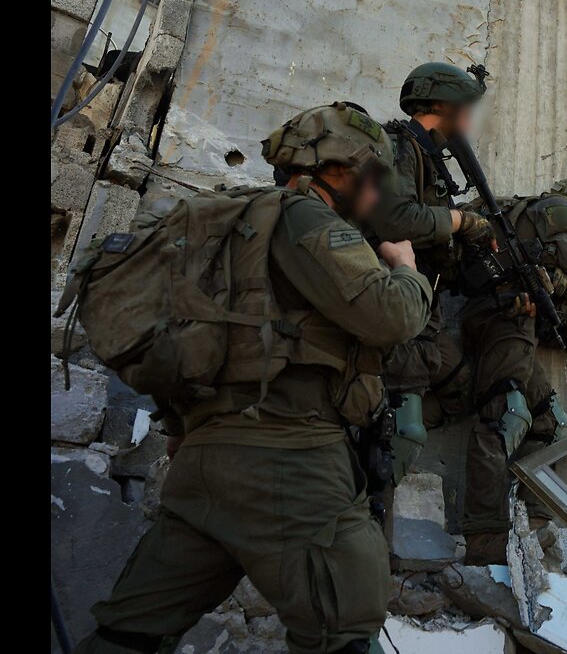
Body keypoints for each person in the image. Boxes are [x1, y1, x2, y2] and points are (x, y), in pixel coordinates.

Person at [75, 102, 432, 654]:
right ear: (340, 170)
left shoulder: (232, 227)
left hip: (203, 464)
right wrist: (406, 267)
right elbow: (392, 316)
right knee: (344, 633)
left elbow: (198, 337)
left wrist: (181, 425)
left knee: (131, 631)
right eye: (374, 179)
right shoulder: (306, 217)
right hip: (290, 462)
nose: (377, 195)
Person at [459, 176, 567, 564]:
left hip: (521, 325)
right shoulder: (553, 210)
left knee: (552, 426)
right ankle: (484, 536)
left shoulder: (532, 222)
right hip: (502, 318)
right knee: (502, 419)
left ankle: (531, 521)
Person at [363, 62, 495, 494]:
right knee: (405, 433)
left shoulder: (427, 157)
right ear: (445, 104)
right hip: (396, 299)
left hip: (424, 308)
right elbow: (396, 218)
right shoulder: (402, 145)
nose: (469, 120)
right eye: (466, 108)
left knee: (449, 399)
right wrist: (462, 221)